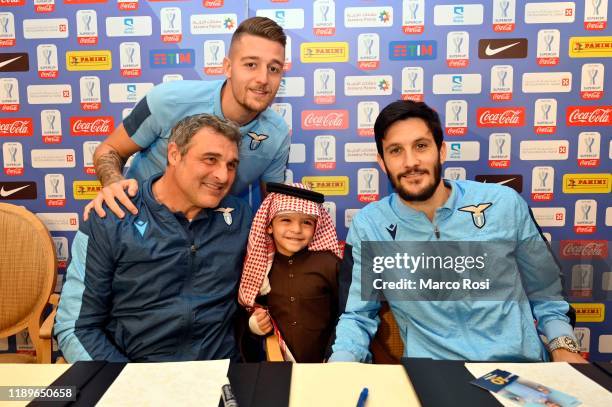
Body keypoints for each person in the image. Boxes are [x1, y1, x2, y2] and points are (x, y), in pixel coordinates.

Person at [329, 100, 586, 363]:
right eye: (395, 150)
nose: (411, 162)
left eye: (421, 146)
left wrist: (564, 346)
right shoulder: (370, 224)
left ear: (441, 151)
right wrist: (341, 365)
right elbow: (357, 316)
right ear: (382, 162)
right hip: (436, 375)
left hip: (521, 369)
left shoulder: (505, 204)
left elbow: (547, 293)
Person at [54, 114, 251, 362]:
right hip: (133, 376)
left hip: (219, 376)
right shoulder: (110, 217)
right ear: (174, 154)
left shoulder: (240, 217)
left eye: (231, 165)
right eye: (210, 160)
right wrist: (127, 386)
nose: (223, 176)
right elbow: (76, 328)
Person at [85, 16, 289, 220]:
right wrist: (113, 184)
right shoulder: (168, 100)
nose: (263, 79)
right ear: (227, 67)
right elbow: (109, 149)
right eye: (251, 65)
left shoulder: (277, 133)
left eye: (273, 69)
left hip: (203, 239)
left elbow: (274, 204)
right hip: (134, 225)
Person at [238, 182, 343, 362]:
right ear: (269, 225)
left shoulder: (330, 263)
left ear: (317, 227)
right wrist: (253, 325)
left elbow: (346, 314)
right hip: (280, 367)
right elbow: (248, 308)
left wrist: (335, 355)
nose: (296, 230)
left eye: (307, 222)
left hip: (328, 364)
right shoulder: (261, 267)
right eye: (286, 220)